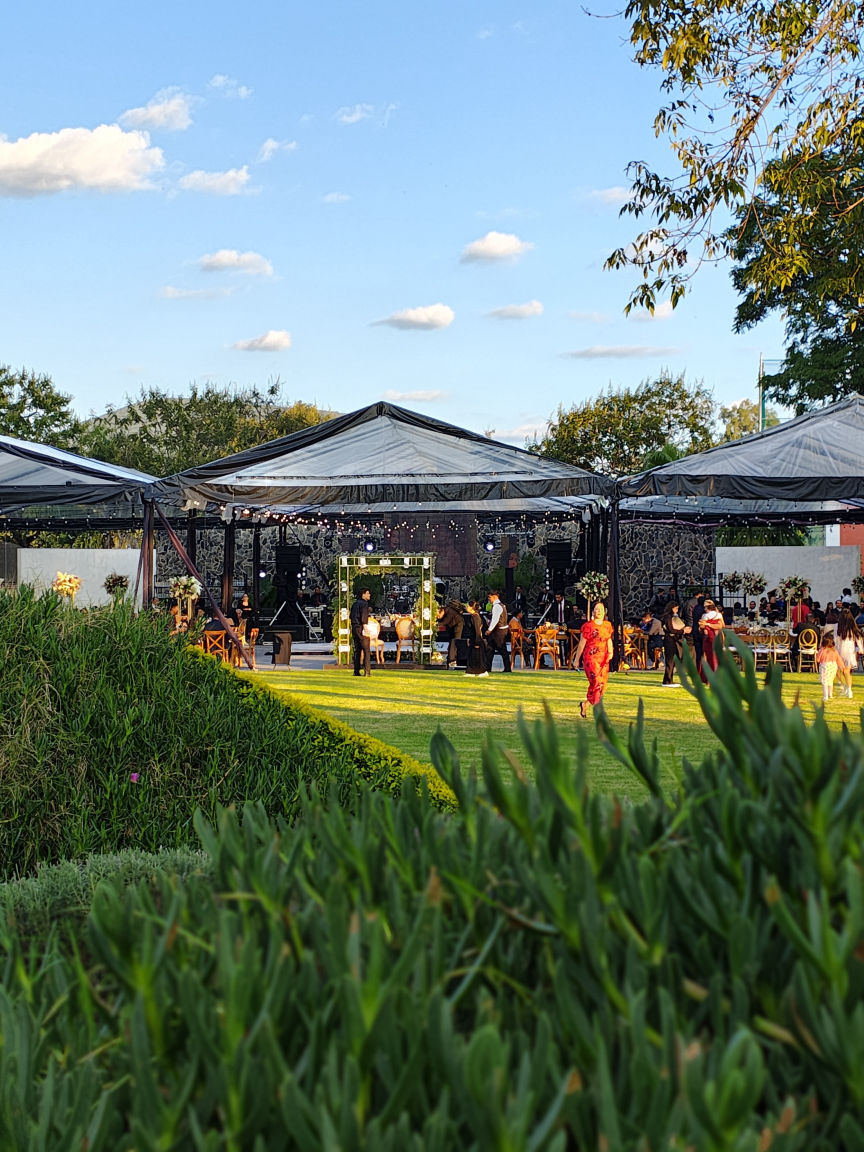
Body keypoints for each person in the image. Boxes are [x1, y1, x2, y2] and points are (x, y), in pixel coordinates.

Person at [573, 602, 614, 718]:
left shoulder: (607, 625)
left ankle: (585, 704)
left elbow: (608, 640)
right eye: (597, 609)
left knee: (603, 685)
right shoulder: (588, 626)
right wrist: (576, 660)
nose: (599, 611)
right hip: (591, 658)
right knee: (596, 682)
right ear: (593, 612)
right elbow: (581, 644)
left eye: (601, 609)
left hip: (603, 658)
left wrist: (611, 652)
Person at [661, 600, 689, 686]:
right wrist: (682, 631)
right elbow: (671, 629)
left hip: (672, 639)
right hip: (670, 640)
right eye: (676, 608)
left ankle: (669, 679)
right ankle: (667, 680)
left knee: (672, 660)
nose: (677, 610)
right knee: (670, 660)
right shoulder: (668, 617)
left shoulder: (670, 616)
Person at [816, 631, 850, 701]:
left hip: (825, 666)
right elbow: (839, 660)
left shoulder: (822, 650)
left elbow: (818, 660)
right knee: (830, 681)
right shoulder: (834, 651)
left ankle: (825, 696)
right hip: (833, 666)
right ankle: (830, 694)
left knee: (825, 682)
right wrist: (843, 668)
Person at [698, 598, 725, 681]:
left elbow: (701, 627)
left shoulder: (705, 616)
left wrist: (707, 625)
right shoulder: (719, 615)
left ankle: (707, 677)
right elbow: (722, 625)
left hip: (708, 637)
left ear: (708, 607)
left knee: (707, 656)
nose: (704, 609)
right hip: (718, 636)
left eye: (705, 607)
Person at [484, 590, 511, 672]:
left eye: (490, 597)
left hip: (499, 631)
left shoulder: (497, 606)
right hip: (499, 630)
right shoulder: (501, 605)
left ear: (495, 596)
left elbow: (495, 619)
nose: (489, 599)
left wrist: (489, 629)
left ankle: (507, 668)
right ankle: (487, 668)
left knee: (502, 649)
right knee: (490, 649)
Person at [835, 609, 863, 690]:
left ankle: (842, 684)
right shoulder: (852, 625)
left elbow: (836, 639)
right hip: (850, 650)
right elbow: (858, 638)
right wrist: (861, 648)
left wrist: (835, 649)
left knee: (839, 669)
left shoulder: (837, 625)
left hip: (840, 649)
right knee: (847, 671)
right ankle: (849, 689)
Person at [350, 587, 372, 676]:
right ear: (363, 594)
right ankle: (367, 671)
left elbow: (351, 616)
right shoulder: (364, 604)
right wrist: (366, 629)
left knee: (357, 650)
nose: (369, 595)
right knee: (366, 650)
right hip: (361, 628)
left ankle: (356, 670)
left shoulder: (355, 604)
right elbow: (364, 617)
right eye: (368, 593)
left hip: (354, 627)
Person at [437, 600, 465, 668]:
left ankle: (453, 659)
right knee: (452, 641)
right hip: (453, 626)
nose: (438, 617)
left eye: (438, 615)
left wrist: (435, 624)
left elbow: (445, 622)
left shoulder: (450, 611)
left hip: (458, 624)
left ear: (442, 611)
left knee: (456, 641)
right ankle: (451, 657)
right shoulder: (447, 610)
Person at [464, 600, 488, 677]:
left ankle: (482, 671)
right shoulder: (473, 617)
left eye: (468, 606)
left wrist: (477, 642)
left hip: (477, 639)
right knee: (472, 656)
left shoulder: (476, 617)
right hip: (473, 638)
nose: (466, 607)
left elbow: (477, 630)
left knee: (478, 657)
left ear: (472, 608)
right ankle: (471, 671)